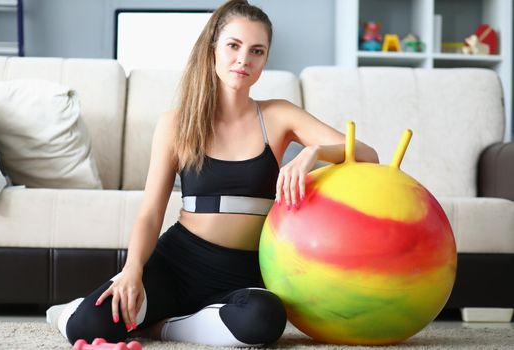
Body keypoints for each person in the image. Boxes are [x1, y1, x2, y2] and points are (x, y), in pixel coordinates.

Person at [46, 0, 379, 346]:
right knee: (87, 324)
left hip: (246, 274)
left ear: (265, 59)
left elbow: (368, 156)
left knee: (265, 320)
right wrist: (133, 270)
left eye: (257, 51)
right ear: (213, 49)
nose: (243, 60)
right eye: (233, 46)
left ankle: (161, 327)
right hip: (177, 263)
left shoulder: (279, 115)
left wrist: (314, 152)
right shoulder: (176, 122)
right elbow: (150, 213)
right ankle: (68, 310)